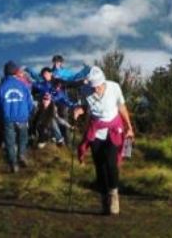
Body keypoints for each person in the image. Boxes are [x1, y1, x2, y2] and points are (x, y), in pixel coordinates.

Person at [73, 66, 134, 216]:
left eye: (98, 86)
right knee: (100, 166)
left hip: (114, 128)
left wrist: (129, 127)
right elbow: (84, 107)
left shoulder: (114, 87)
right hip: (96, 130)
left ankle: (114, 196)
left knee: (111, 163)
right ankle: (104, 198)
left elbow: (121, 107)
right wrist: (78, 111)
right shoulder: (86, 91)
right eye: (93, 87)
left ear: (103, 82)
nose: (96, 89)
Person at [0, 61, 35, 173]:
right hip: (22, 117)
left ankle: (13, 164)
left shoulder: (1, 87)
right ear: (16, 72)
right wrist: (28, 113)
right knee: (23, 138)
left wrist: (0, 117)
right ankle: (22, 154)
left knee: (10, 142)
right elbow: (30, 103)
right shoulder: (23, 86)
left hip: (8, 118)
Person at [31, 67, 76, 145]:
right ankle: (40, 137)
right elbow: (33, 85)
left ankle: (58, 138)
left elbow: (65, 94)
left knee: (53, 119)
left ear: (51, 74)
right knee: (41, 120)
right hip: (44, 106)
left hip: (53, 106)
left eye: (47, 73)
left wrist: (73, 105)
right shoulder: (42, 85)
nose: (45, 75)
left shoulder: (57, 85)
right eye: (43, 74)